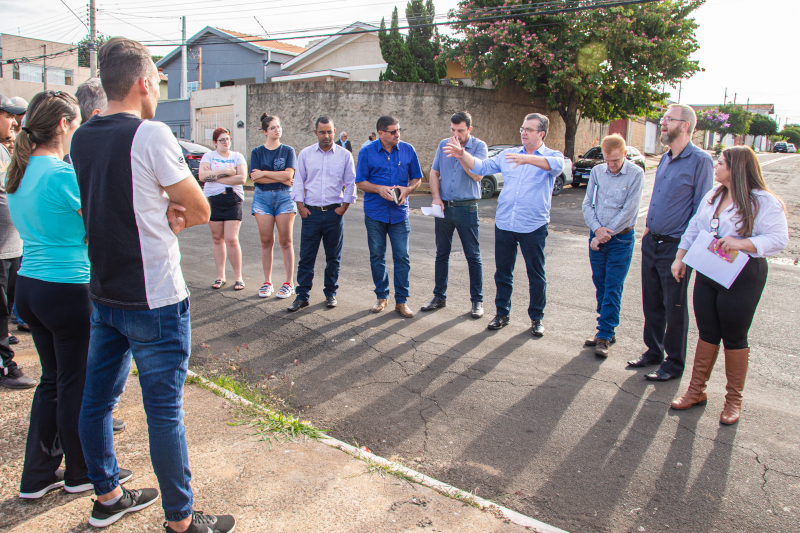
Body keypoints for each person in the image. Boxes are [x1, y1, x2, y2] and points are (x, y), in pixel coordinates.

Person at [71, 38, 234, 532]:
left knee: (96, 401)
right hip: (155, 298)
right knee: (164, 414)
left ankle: (107, 495)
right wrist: (173, 210)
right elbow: (203, 208)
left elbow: (106, 202)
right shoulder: (152, 134)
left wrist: (161, 205)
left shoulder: (81, 137)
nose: (159, 90)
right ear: (144, 82)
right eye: (159, 82)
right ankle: (181, 521)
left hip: (104, 292)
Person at [6, 91, 133, 500]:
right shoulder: (61, 175)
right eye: (76, 122)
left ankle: (38, 475)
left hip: (30, 286)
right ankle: (81, 472)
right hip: (67, 289)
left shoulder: (18, 172)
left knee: (53, 382)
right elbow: (99, 223)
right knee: (76, 385)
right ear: (63, 124)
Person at [669, 146, 788, 424]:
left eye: (720, 162)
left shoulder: (763, 201)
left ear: (736, 168)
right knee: (707, 331)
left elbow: (779, 239)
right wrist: (680, 258)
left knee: (734, 336)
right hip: (709, 269)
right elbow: (694, 228)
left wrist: (742, 243)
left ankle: (733, 401)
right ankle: (696, 391)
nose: (716, 165)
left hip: (743, 275)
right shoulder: (713, 196)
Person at [445, 112, 564, 336]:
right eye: (522, 128)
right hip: (506, 223)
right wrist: (462, 155)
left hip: (533, 226)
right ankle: (502, 313)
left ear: (541, 133)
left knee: (535, 274)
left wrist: (528, 158)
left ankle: (537, 318)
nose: (524, 133)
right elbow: (480, 167)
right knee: (502, 273)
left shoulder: (551, 155)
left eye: (529, 129)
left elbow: (557, 166)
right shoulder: (508, 154)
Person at [628, 104, 713, 381]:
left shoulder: (700, 161)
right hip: (653, 241)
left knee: (674, 306)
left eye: (668, 119)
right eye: (663, 119)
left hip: (677, 246)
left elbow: (701, 210)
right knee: (651, 301)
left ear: (685, 125)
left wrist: (684, 251)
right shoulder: (665, 158)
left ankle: (673, 363)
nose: (663, 123)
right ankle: (654, 351)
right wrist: (649, 227)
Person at [581, 134, 644, 357]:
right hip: (597, 235)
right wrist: (597, 230)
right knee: (600, 283)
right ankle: (604, 328)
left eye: (616, 160)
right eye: (608, 160)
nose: (611, 165)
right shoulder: (598, 171)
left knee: (613, 286)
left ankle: (606, 334)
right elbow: (588, 203)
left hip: (620, 239)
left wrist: (604, 234)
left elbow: (629, 210)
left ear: (625, 154)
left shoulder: (636, 174)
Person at [356, 116, 423, 318]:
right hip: (375, 213)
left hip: (399, 214)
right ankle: (381, 296)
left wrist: (408, 189)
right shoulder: (367, 152)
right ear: (381, 134)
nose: (397, 134)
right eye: (393, 132)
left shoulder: (408, 149)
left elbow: (417, 178)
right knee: (377, 257)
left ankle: (401, 301)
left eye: (399, 130)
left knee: (402, 257)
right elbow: (360, 182)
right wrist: (378, 189)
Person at [288, 116, 356, 312]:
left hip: (334, 213)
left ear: (334, 132)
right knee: (306, 257)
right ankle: (302, 296)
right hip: (311, 214)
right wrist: (300, 207)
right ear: (315, 133)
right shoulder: (306, 154)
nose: (326, 136)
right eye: (322, 132)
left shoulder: (344, 155)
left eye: (329, 131)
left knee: (333, 257)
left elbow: (351, 183)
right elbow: (298, 181)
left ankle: (330, 293)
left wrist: (344, 207)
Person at [423, 111, 487, 318]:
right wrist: (435, 197)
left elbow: (477, 175)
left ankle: (477, 301)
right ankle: (439, 296)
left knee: (473, 255)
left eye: (460, 130)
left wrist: (460, 154)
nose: (455, 134)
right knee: (442, 253)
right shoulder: (443, 144)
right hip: (444, 207)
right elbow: (434, 172)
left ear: (469, 129)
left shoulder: (479, 147)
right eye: (453, 130)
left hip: (467, 207)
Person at [0, 94, 31, 388]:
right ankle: (5, 367)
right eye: (7, 115)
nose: (13, 122)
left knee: (5, 311)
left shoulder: (4, 150)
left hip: (11, 246)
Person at [250, 113, 297, 299]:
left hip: (285, 197)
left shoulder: (288, 151)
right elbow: (254, 176)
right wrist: (278, 176)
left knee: (286, 242)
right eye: (273, 128)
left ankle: (288, 283)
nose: (277, 130)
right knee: (266, 242)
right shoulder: (256, 152)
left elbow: (289, 177)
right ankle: (267, 282)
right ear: (265, 131)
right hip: (262, 198)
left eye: (279, 127)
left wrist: (264, 174)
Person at [199, 127, 247, 290]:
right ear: (215, 143)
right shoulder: (208, 156)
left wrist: (215, 176)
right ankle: (220, 276)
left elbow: (241, 178)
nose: (226, 142)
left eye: (228, 139)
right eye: (222, 140)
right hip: (214, 200)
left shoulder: (237, 156)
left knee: (232, 239)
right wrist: (226, 172)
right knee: (217, 239)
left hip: (233, 199)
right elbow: (202, 176)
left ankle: (238, 277)